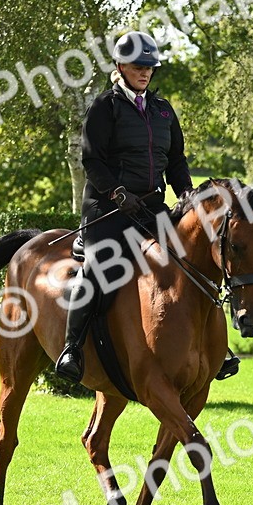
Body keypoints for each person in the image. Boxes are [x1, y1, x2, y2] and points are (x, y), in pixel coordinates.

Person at [54, 30, 199, 383]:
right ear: (120, 66)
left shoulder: (163, 111)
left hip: (151, 210)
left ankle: (208, 345)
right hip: (108, 211)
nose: (145, 72)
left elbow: (176, 160)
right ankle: (72, 348)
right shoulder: (105, 107)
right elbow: (92, 160)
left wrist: (185, 194)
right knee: (98, 266)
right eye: (138, 66)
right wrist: (118, 193)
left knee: (193, 261)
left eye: (150, 67)